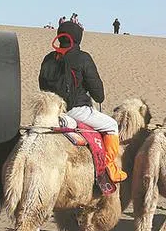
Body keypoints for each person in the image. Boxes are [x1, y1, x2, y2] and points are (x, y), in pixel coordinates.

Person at [38, 21, 126, 182]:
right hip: (76, 110)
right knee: (112, 126)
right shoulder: (83, 58)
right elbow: (98, 93)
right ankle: (109, 167)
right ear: (78, 38)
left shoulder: (49, 58)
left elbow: (42, 86)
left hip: (52, 110)